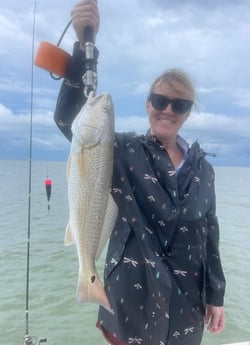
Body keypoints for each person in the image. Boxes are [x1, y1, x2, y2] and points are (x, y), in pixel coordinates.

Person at [54, 1, 226, 344]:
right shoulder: (122, 151)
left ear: (188, 112)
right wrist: (82, 48)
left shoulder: (204, 171)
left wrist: (216, 295)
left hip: (185, 311)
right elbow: (70, 122)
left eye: (179, 105)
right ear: (148, 103)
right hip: (130, 306)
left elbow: (210, 233)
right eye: (160, 100)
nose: (167, 110)